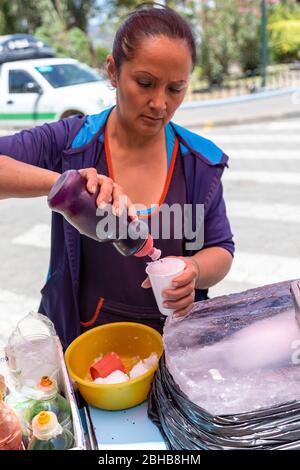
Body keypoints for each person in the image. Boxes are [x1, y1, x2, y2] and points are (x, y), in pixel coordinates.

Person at [0, 4, 234, 349]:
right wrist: (65, 186)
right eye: (144, 83)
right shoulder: (71, 142)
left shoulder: (199, 161)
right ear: (113, 71)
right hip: (86, 346)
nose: (159, 104)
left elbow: (221, 249)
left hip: (174, 348)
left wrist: (194, 269)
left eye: (175, 88)